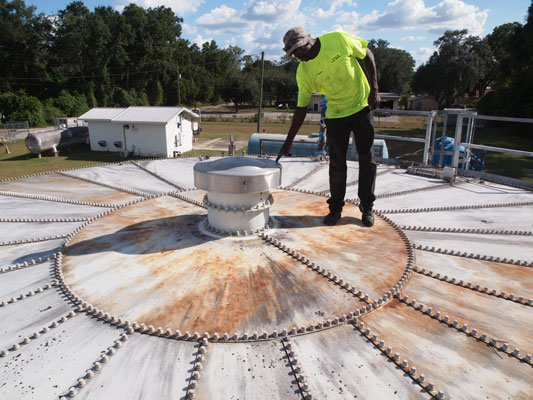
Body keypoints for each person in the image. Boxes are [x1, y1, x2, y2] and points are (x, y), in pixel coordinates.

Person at [276, 26, 380, 227]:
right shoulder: (304, 72)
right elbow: (301, 109)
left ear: (308, 41)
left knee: (367, 159)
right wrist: (288, 142)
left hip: (360, 107)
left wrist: (374, 88)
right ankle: (335, 209)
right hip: (335, 115)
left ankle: (367, 206)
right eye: (292, 53)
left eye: (297, 50)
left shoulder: (338, 39)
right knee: (337, 163)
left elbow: (366, 53)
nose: (296, 56)